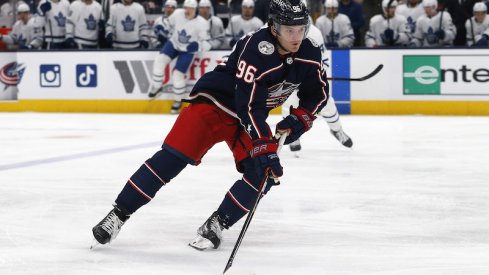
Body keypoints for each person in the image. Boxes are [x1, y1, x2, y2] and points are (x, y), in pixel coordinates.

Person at [91, 0, 328, 251]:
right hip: (215, 106)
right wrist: (263, 144)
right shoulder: (256, 49)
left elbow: (318, 94)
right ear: (273, 27)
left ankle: (217, 223)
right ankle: (118, 214)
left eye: (301, 29)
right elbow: (248, 104)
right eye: (289, 30)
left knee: (265, 173)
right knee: (172, 158)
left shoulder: (310, 52)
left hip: (247, 117)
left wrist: (300, 119)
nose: (296, 37)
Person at [282, 13, 352, 153]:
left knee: (327, 104)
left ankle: (337, 130)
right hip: (289, 80)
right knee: (289, 106)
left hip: (310, 79)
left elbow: (323, 59)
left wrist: (317, 75)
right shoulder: (281, 30)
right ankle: (292, 135)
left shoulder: (315, 32)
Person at [147, 0, 211, 114]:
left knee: (177, 75)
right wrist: (161, 28)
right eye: (186, 8)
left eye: (190, 9)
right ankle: (157, 87)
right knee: (159, 61)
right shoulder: (177, 13)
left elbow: (207, 43)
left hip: (188, 51)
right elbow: (166, 22)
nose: (187, 11)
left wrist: (198, 46)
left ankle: (177, 100)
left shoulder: (202, 23)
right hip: (174, 43)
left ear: (195, 9)